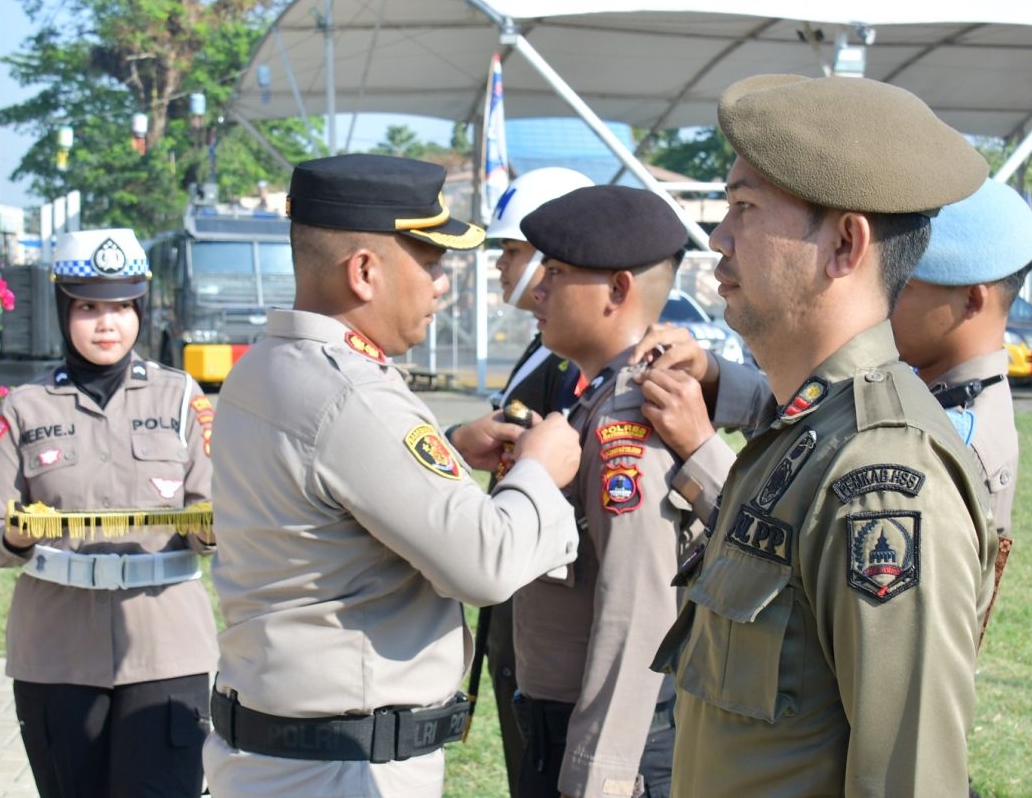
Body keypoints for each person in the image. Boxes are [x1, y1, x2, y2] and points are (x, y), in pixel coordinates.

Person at [647, 74, 999, 796]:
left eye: (744, 207)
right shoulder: (805, 435)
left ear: (844, 243)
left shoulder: (881, 472)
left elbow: (911, 779)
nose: (718, 237)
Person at [203, 153, 582, 798]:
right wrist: (540, 472)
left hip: (283, 749)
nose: (442, 284)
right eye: (431, 262)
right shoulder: (349, 394)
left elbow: (323, 496)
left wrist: (452, 449)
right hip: (343, 763)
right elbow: (483, 565)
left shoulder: (266, 367)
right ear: (364, 272)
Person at [509, 184, 763, 798]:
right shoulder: (595, 397)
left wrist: (601, 775)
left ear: (619, 290)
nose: (536, 289)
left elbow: (636, 610)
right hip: (570, 721)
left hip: (610, 735)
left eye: (558, 271)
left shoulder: (629, 413)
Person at [0, 228, 218, 797]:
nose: (107, 323)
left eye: (122, 307)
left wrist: (211, 528)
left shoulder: (181, 398)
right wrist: (12, 535)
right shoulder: (23, 407)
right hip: (56, 649)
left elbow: (214, 509)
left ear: (140, 310)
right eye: (88, 306)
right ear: (62, 308)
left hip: (166, 646)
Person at [468, 165, 593, 795]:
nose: (501, 268)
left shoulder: (571, 362)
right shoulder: (544, 348)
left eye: (512, 251)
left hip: (551, 599)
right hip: (521, 593)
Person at [892, 177, 1032, 541]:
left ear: (973, 301)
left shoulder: (952, 440)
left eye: (903, 288)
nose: (886, 303)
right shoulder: (947, 395)